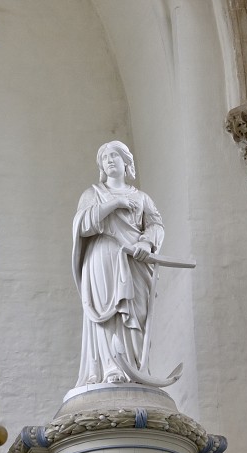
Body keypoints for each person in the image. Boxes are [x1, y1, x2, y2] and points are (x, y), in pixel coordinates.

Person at [72, 141, 164, 385]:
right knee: (109, 312)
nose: (109, 160)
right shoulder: (92, 194)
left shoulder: (142, 198)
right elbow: (81, 226)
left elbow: (156, 225)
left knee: (134, 315)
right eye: (104, 158)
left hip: (135, 260)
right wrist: (113, 204)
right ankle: (110, 367)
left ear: (126, 162)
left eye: (114, 155)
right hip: (103, 258)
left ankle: (134, 367)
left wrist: (146, 243)